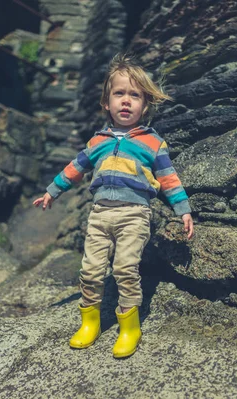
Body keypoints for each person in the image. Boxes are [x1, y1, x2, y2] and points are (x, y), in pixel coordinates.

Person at [33, 53, 194, 358]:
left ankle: (129, 326)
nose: (126, 101)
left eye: (135, 95)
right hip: (100, 214)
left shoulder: (152, 142)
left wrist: (182, 208)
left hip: (134, 215)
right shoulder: (97, 141)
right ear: (106, 103)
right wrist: (52, 191)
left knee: (124, 268)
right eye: (119, 93)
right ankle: (89, 323)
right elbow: (75, 167)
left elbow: (169, 178)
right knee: (91, 270)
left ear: (145, 105)